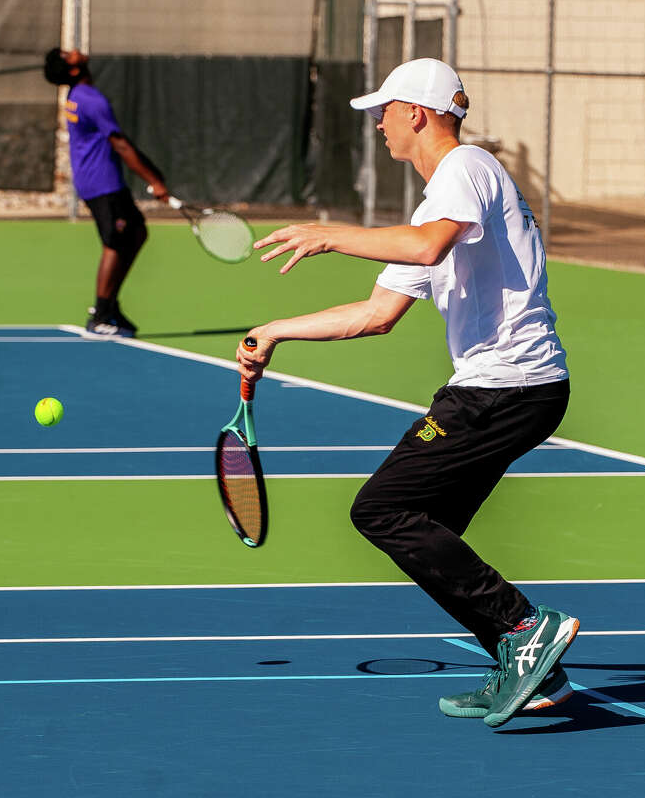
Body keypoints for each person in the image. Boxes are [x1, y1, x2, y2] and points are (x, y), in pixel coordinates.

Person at [236, 58, 580, 729]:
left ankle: (524, 626)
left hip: (505, 387)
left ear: (417, 114)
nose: (378, 125)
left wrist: (329, 233)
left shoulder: (467, 169)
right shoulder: (438, 203)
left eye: (384, 112)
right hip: (508, 388)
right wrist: (274, 331)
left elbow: (426, 249)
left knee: (383, 509)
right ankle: (533, 667)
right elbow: (376, 313)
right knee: (428, 530)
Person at [44, 48, 168, 337]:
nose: (73, 50)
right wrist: (155, 181)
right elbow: (121, 144)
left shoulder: (76, 95)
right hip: (102, 183)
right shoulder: (91, 99)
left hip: (97, 180)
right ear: (73, 70)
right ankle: (100, 314)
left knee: (136, 232)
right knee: (115, 243)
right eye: (67, 54)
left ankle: (110, 304)